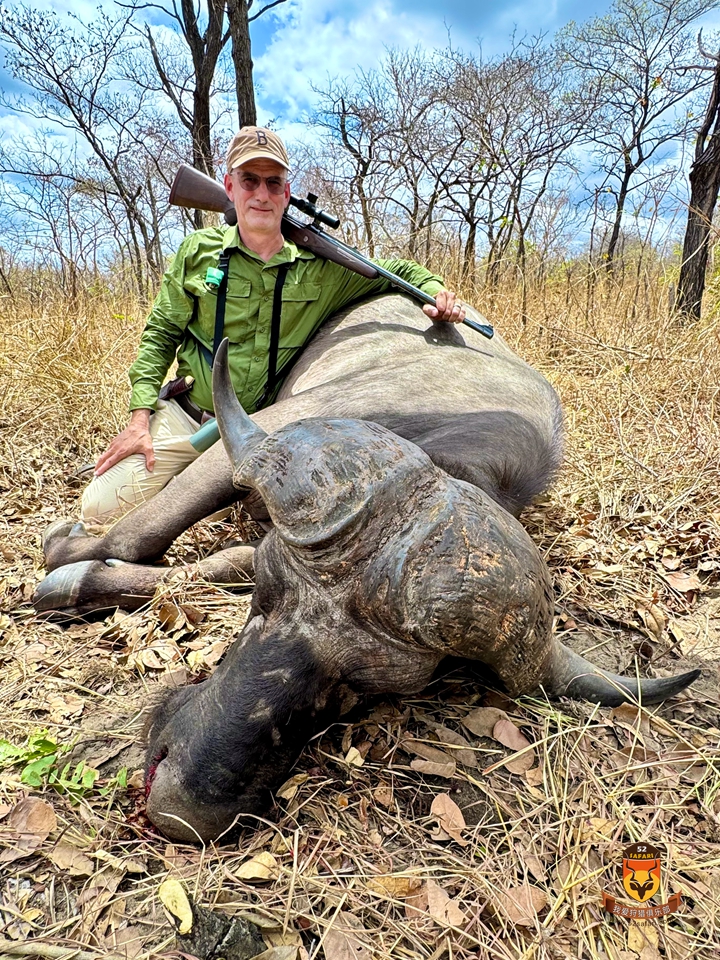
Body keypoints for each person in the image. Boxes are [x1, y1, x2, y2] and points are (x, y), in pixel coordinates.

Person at [81, 126, 466, 524]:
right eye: (249, 180)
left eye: (273, 182)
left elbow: (397, 272)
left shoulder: (322, 267)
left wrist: (436, 293)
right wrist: (139, 420)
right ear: (229, 187)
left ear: (286, 191)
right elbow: (160, 335)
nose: (261, 195)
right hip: (189, 416)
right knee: (98, 509)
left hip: (258, 434)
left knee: (224, 517)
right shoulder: (198, 252)